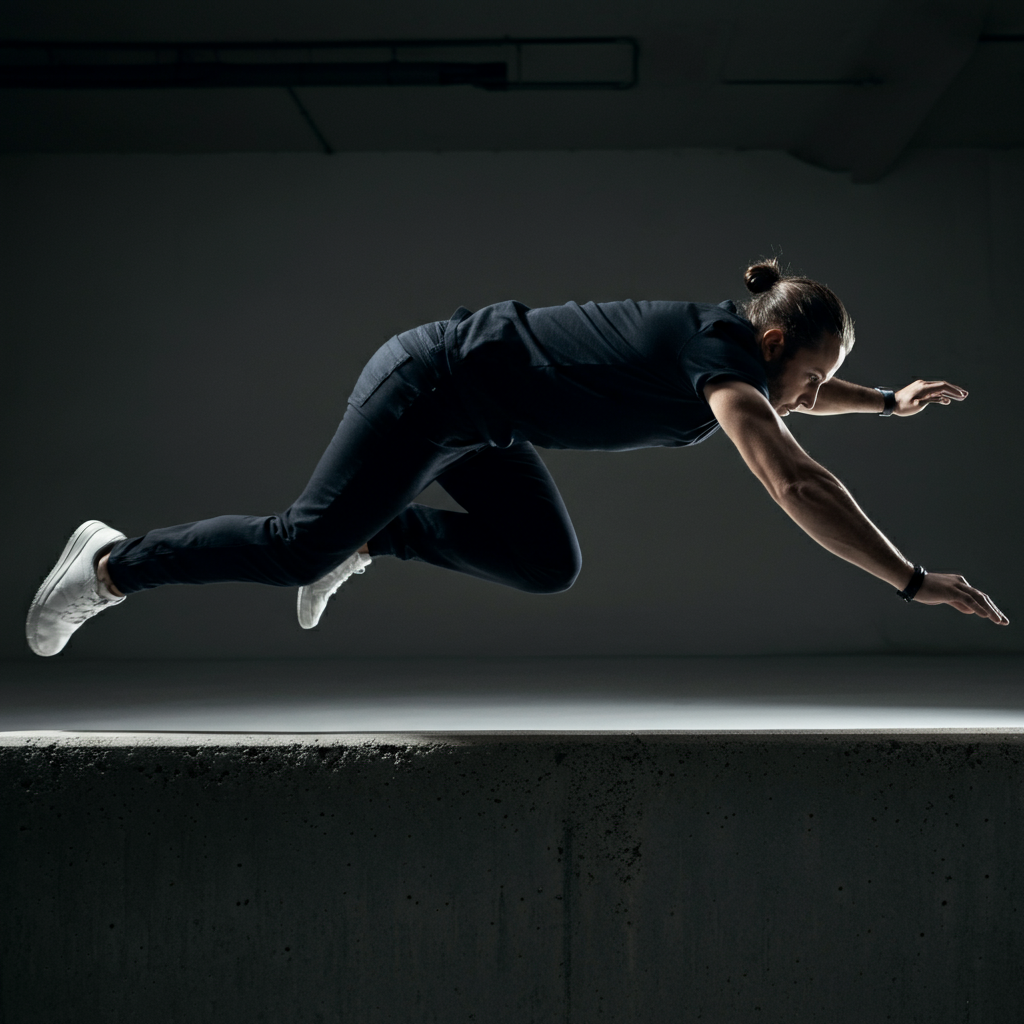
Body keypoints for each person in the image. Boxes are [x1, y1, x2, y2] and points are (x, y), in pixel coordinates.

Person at [26, 258, 1008, 657]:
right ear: (769, 344)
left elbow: (800, 398)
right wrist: (909, 579)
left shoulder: (740, 355)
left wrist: (881, 400)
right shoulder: (720, 361)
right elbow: (792, 475)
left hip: (482, 419)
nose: (814, 393)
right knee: (295, 545)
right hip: (430, 382)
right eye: (816, 372)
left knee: (546, 563)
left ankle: (381, 534)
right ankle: (112, 564)